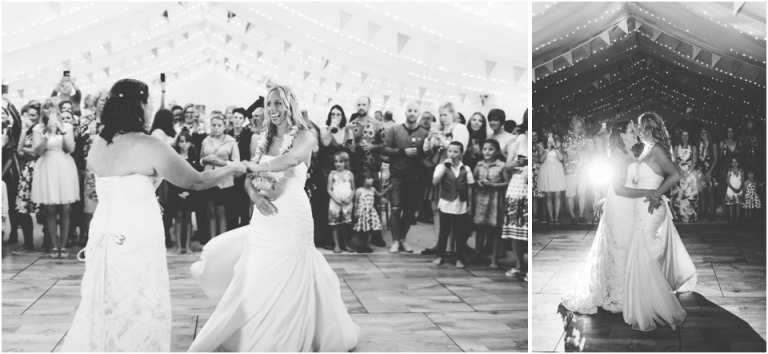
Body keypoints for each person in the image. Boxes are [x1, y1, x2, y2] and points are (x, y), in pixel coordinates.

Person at [61, 78, 247, 352]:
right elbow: (195, 181)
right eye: (148, 101)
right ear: (137, 105)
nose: (150, 107)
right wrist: (233, 168)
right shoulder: (148, 144)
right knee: (142, 299)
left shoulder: (100, 143)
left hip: (103, 232)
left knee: (106, 297)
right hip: (136, 234)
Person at [189, 84, 359, 351]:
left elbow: (292, 159)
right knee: (255, 271)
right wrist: (256, 198)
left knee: (292, 272)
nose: (273, 109)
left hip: (293, 213)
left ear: (289, 104)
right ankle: (256, 328)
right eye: (270, 104)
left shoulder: (306, 136)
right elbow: (249, 180)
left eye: (279, 103)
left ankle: (289, 334)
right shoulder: (261, 138)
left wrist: (256, 165)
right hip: (263, 215)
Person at [561, 120, 652, 314]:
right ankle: (617, 296)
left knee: (629, 246)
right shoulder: (618, 156)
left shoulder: (630, 153)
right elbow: (619, 188)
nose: (635, 132)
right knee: (619, 247)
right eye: (631, 130)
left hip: (629, 205)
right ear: (622, 135)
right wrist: (647, 192)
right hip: (620, 206)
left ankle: (628, 289)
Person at [623, 112, 697, 331]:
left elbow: (675, 174)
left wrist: (656, 194)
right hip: (640, 208)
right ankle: (645, 299)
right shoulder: (645, 149)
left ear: (647, 127)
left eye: (639, 126)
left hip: (651, 208)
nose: (637, 130)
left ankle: (654, 304)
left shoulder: (657, 149)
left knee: (643, 251)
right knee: (642, 252)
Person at [31, 111, 80, 258]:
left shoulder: (67, 126)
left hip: (64, 165)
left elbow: (71, 148)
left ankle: (63, 246)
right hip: (46, 165)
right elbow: (38, 150)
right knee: (49, 209)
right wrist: (48, 134)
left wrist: (62, 130)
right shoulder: (38, 128)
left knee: (65, 208)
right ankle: (53, 245)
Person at [422, 102, 469, 255]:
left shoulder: (459, 128)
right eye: (440, 115)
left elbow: (459, 149)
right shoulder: (440, 129)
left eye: (445, 115)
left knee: (452, 210)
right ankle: (438, 242)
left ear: (453, 114)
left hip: (452, 173)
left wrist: (441, 138)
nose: (442, 118)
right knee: (436, 209)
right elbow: (427, 151)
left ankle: (451, 246)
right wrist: (429, 138)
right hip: (438, 170)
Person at [382, 102, 428, 253]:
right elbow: (385, 149)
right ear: (405, 112)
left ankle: (403, 239)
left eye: (415, 110)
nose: (412, 113)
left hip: (414, 177)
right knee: (395, 208)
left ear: (419, 113)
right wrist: (403, 151)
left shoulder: (424, 133)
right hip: (396, 175)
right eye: (410, 110)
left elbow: (427, 154)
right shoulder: (394, 129)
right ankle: (395, 241)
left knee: (409, 210)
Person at [347, 96, 386, 248]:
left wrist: (372, 147)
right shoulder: (350, 125)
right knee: (357, 203)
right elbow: (347, 145)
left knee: (374, 204)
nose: (361, 106)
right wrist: (354, 147)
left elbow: (385, 144)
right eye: (359, 104)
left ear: (369, 105)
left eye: (364, 104)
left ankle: (376, 235)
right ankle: (356, 235)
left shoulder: (378, 124)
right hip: (356, 170)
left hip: (373, 170)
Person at [431, 141, 474, 269]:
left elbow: (470, 188)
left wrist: (470, 204)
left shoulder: (466, 169)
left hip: (460, 204)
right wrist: (444, 167)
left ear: (461, 154)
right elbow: (435, 182)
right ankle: (440, 256)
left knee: (459, 233)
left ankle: (459, 258)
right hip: (446, 203)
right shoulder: (441, 167)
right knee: (444, 232)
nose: (452, 154)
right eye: (450, 151)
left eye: (456, 152)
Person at [318, 105, 355, 250]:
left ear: (343, 116)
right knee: (327, 206)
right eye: (333, 114)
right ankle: (328, 239)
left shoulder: (348, 131)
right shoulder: (324, 129)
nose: (335, 116)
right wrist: (330, 128)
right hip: (328, 172)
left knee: (345, 206)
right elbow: (325, 143)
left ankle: (344, 241)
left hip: (344, 173)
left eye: (338, 114)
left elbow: (350, 149)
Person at [11, 101, 45, 255]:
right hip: (27, 170)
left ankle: (48, 242)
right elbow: (18, 152)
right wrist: (25, 137)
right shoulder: (26, 131)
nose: (30, 118)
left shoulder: (43, 130)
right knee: (22, 207)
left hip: (41, 169)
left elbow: (39, 152)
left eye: (33, 115)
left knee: (44, 208)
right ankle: (28, 242)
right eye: (28, 115)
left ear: (39, 116)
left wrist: (27, 150)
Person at [470, 139, 507, 267]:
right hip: (480, 199)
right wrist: (478, 182)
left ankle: (494, 260)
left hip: (495, 200)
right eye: (485, 149)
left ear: (496, 151)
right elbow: (473, 179)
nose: (487, 151)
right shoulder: (479, 164)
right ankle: (477, 255)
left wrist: (493, 184)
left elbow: (507, 183)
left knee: (495, 230)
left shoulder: (502, 165)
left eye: (490, 149)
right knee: (480, 228)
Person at [200, 114, 239, 237]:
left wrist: (222, 162)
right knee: (211, 212)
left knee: (222, 212)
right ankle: (211, 241)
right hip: (209, 179)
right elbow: (200, 160)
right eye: (214, 125)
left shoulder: (231, 141)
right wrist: (205, 159)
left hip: (224, 180)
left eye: (219, 125)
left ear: (224, 126)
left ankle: (221, 242)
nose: (216, 128)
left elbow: (237, 162)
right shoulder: (206, 140)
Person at [167, 130, 202, 254]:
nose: (184, 144)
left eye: (187, 141)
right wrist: (178, 192)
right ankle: (178, 246)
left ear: (191, 143)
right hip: (176, 193)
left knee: (187, 219)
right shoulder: (175, 159)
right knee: (178, 219)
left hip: (190, 193)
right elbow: (172, 176)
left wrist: (188, 191)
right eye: (182, 141)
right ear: (178, 142)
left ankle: (187, 246)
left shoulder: (193, 158)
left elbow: (195, 177)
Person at [562, 116, 594, 224]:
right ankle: (571, 215)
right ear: (572, 125)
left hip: (583, 169)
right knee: (570, 194)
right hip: (571, 170)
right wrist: (580, 151)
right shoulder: (566, 138)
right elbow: (569, 153)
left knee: (582, 193)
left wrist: (576, 152)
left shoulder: (585, 139)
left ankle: (581, 215)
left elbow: (588, 153)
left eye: (580, 124)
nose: (579, 126)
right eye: (577, 124)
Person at [227, 108, 254, 228]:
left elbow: (250, 154)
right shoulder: (227, 135)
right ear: (232, 118)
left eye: (240, 118)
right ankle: (231, 229)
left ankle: (243, 230)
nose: (237, 120)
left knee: (243, 204)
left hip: (244, 173)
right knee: (231, 205)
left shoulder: (249, 135)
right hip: (229, 173)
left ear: (244, 120)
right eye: (235, 117)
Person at [353, 172, 388, 253]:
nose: (372, 179)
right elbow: (356, 202)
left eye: (372, 177)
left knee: (367, 231)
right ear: (363, 180)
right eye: (368, 178)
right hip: (362, 213)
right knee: (360, 230)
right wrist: (355, 211)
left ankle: (365, 245)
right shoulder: (359, 190)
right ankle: (359, 245)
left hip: (370, 213)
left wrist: (387, 190)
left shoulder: (373, 189)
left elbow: (379, 195)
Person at [327, 151, 355, 253]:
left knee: (345, 224)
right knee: (335, 224)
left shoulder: (349, 174)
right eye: (336, 161)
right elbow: (329, 189)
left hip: (347, 203)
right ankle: (336, 245)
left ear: (346, 162)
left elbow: (353, 189)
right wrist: (336, 200)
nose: (338, 163)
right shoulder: (332, 174)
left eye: (341, 161)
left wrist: (349, 199)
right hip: (335, 203)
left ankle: (345, 244)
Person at [538, 131, 566, 224]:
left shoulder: (558, 144)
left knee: (557, 195)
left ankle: (556, 217)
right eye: (548, 135)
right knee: (548, 196)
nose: (549, 137)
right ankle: (551, 217)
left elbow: (561, 158)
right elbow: (541, 159)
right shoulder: (541, 145)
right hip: (546, 169)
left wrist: (555, 147)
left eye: (551, 135)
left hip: (556, 169)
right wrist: (548, 148)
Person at [670, 129, 698, 222]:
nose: (685, 137)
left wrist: (688, 172)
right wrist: (681, 172)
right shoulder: (676, 147)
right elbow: (674, 162)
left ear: (689, 137)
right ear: (680, 137)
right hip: (679, 173)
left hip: (690, 174)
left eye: (686, 135)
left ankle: (690, 216)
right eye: (683, 135)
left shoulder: (693, 147)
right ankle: (678, 215)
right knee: (679, 194)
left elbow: (694, 162)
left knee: (689, 195)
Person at [696, 127, 718, 222]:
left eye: (704, 132)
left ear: (708, 133)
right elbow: (698, 159)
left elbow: (716, 159)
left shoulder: (713, 144)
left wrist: (710, 172)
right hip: (700, 172)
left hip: (710, 171)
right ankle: (702, 213)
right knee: (701, 193)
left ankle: (712, 214)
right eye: (701, 133)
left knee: (710, 193)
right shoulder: (698, 145)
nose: (702, 134)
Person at [531, 130, 546, 222]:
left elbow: (540, 160)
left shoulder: (541, 145)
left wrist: (533, 159)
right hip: (532, 172)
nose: (534, 137)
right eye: (532, 135)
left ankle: (544, 217)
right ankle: (534, 217)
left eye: (535, 135)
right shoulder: (528, 146)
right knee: (534, 196)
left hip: (541, 171)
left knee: (542, 195)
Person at [725, 157, 744, 222]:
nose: (734, 164)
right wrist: (733, 188)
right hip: (731, 189)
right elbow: (727, 181)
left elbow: (743, 181)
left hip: (739, 189)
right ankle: (731, 217)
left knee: (738, 204)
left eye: (736, 162)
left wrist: (739, 189)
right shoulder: (730, 170)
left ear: (738, 163)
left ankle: (738, 217)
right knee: (731, 204)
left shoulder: (741, 171)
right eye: (733, 162)